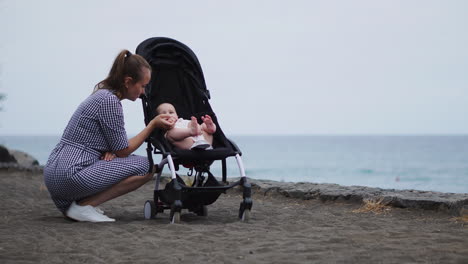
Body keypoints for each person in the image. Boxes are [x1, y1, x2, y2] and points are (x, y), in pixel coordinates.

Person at [44, 50, 175, 222]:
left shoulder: (101, 95)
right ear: (128, 82)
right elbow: (123, 151)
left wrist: (109, 150)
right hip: (70, 175)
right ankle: (84, 206)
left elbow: (103, 142)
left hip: (55, 172)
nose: (143, 92)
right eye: (142, 86)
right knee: (147, 166)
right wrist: (152, 125)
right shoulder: (110, 102)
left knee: (123, 160)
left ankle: (79, 206)